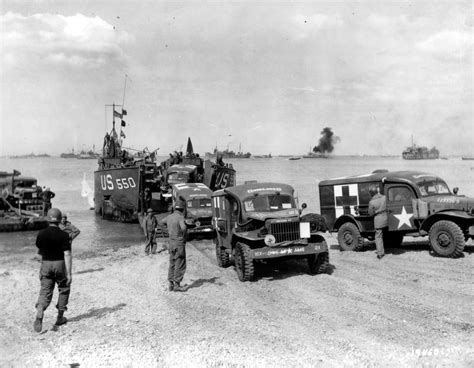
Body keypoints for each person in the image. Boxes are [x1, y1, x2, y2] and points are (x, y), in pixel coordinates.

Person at [33, 208, 72, 332]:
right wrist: (69, 273)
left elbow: (39, 254)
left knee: (45, 291)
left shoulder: (41, 234)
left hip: (46, 264)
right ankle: (60, 318)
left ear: (48, 219)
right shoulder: (64, 235)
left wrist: (42, 268)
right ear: (60, 219)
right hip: (59, 264)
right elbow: (67, 254)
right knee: (64, 289)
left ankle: (40, 310)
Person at [159, 199, 187, 292]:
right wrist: (183, 236)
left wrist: (168, 231)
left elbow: (160, 222)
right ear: (182, 209)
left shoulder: (169, 217)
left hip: (171, 242)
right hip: (179, 243)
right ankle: (177, 285)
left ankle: (170, 284)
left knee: (172, 263)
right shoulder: (180, 217)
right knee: (180, 263)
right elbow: (183, 228)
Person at [368, 185, 388, 259]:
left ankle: (380, 253)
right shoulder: (384, 197)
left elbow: (370, 213)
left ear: (371, 193)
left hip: (378, 220)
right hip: (387, 218)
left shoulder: (371, 202)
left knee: (378, 236)